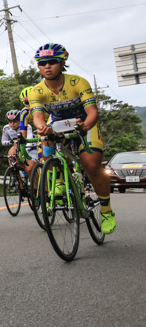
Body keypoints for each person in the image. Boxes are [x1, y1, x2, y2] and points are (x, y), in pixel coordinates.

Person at [27, 43, 115, 233]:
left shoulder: (78, 82)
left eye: (52, 62)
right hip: (58, 123)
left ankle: (106, 210)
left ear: (62, 63)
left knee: (91, 165)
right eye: (42, 63)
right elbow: (37, 116)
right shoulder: (37, 91)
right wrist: (41, 127)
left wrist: (86, 125)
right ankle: (59, 180)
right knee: (47, 141)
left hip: (84, 123)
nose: (47, 66)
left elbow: (92, 111)